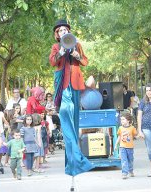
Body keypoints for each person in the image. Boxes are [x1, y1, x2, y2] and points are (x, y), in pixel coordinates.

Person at [49, 19, 94, 177]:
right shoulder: (56, 46)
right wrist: (61, 51)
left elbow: (85, 61)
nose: (63, 32)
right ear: (57, 34)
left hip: (75, 85)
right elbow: (52, 62)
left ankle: (72, 166)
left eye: (65, 30)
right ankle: (78, 161)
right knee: (66, 117)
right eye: (60, 30)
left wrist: (76, 54)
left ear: (69, 31)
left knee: (74, 125)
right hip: (63, 88)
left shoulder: (77, 44)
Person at [114, 112, 137, 179]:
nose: (122, 121)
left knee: (130, 160)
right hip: (122, 147)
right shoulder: (120, 128)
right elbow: (119, 137)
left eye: (123, 119)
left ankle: (131, 170)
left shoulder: (132, 128)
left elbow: (135, 135)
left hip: (130, 147)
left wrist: (140, 135)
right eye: (121, 119)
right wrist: (116, 145)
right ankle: (124, 173)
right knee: (124, 160)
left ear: (128, 120)